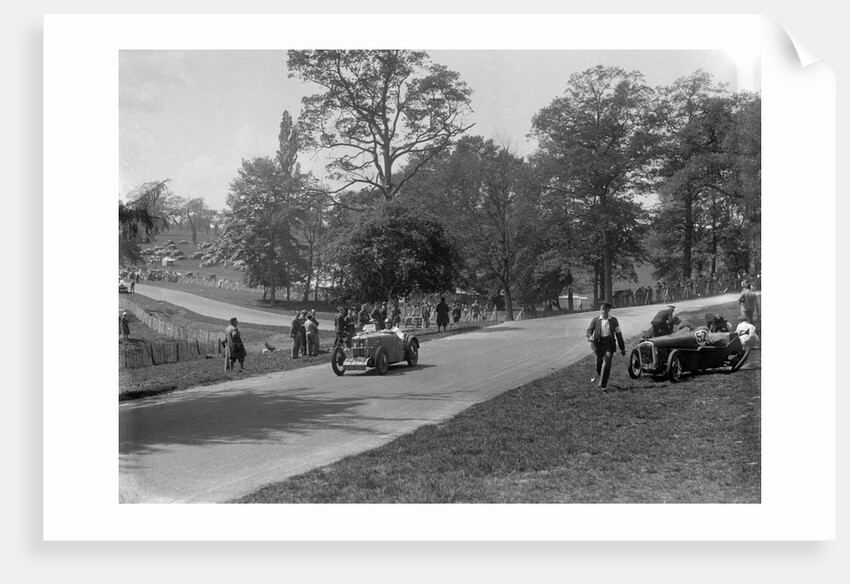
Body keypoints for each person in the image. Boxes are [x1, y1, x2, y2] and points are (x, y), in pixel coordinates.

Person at [586, 301, 626, 392]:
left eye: (606, 309)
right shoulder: (595, 320)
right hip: (598, 345)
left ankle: (602, 385)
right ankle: (603, 377)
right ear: (600, 309)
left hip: (609, 344)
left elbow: (619, 334)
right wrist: (590, 336)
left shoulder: (614, 320)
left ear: (609, 310)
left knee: (606, 363)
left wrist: (622, 348)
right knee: (599, 366)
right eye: (602, 309)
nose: (604, 311)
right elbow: (589, 331)